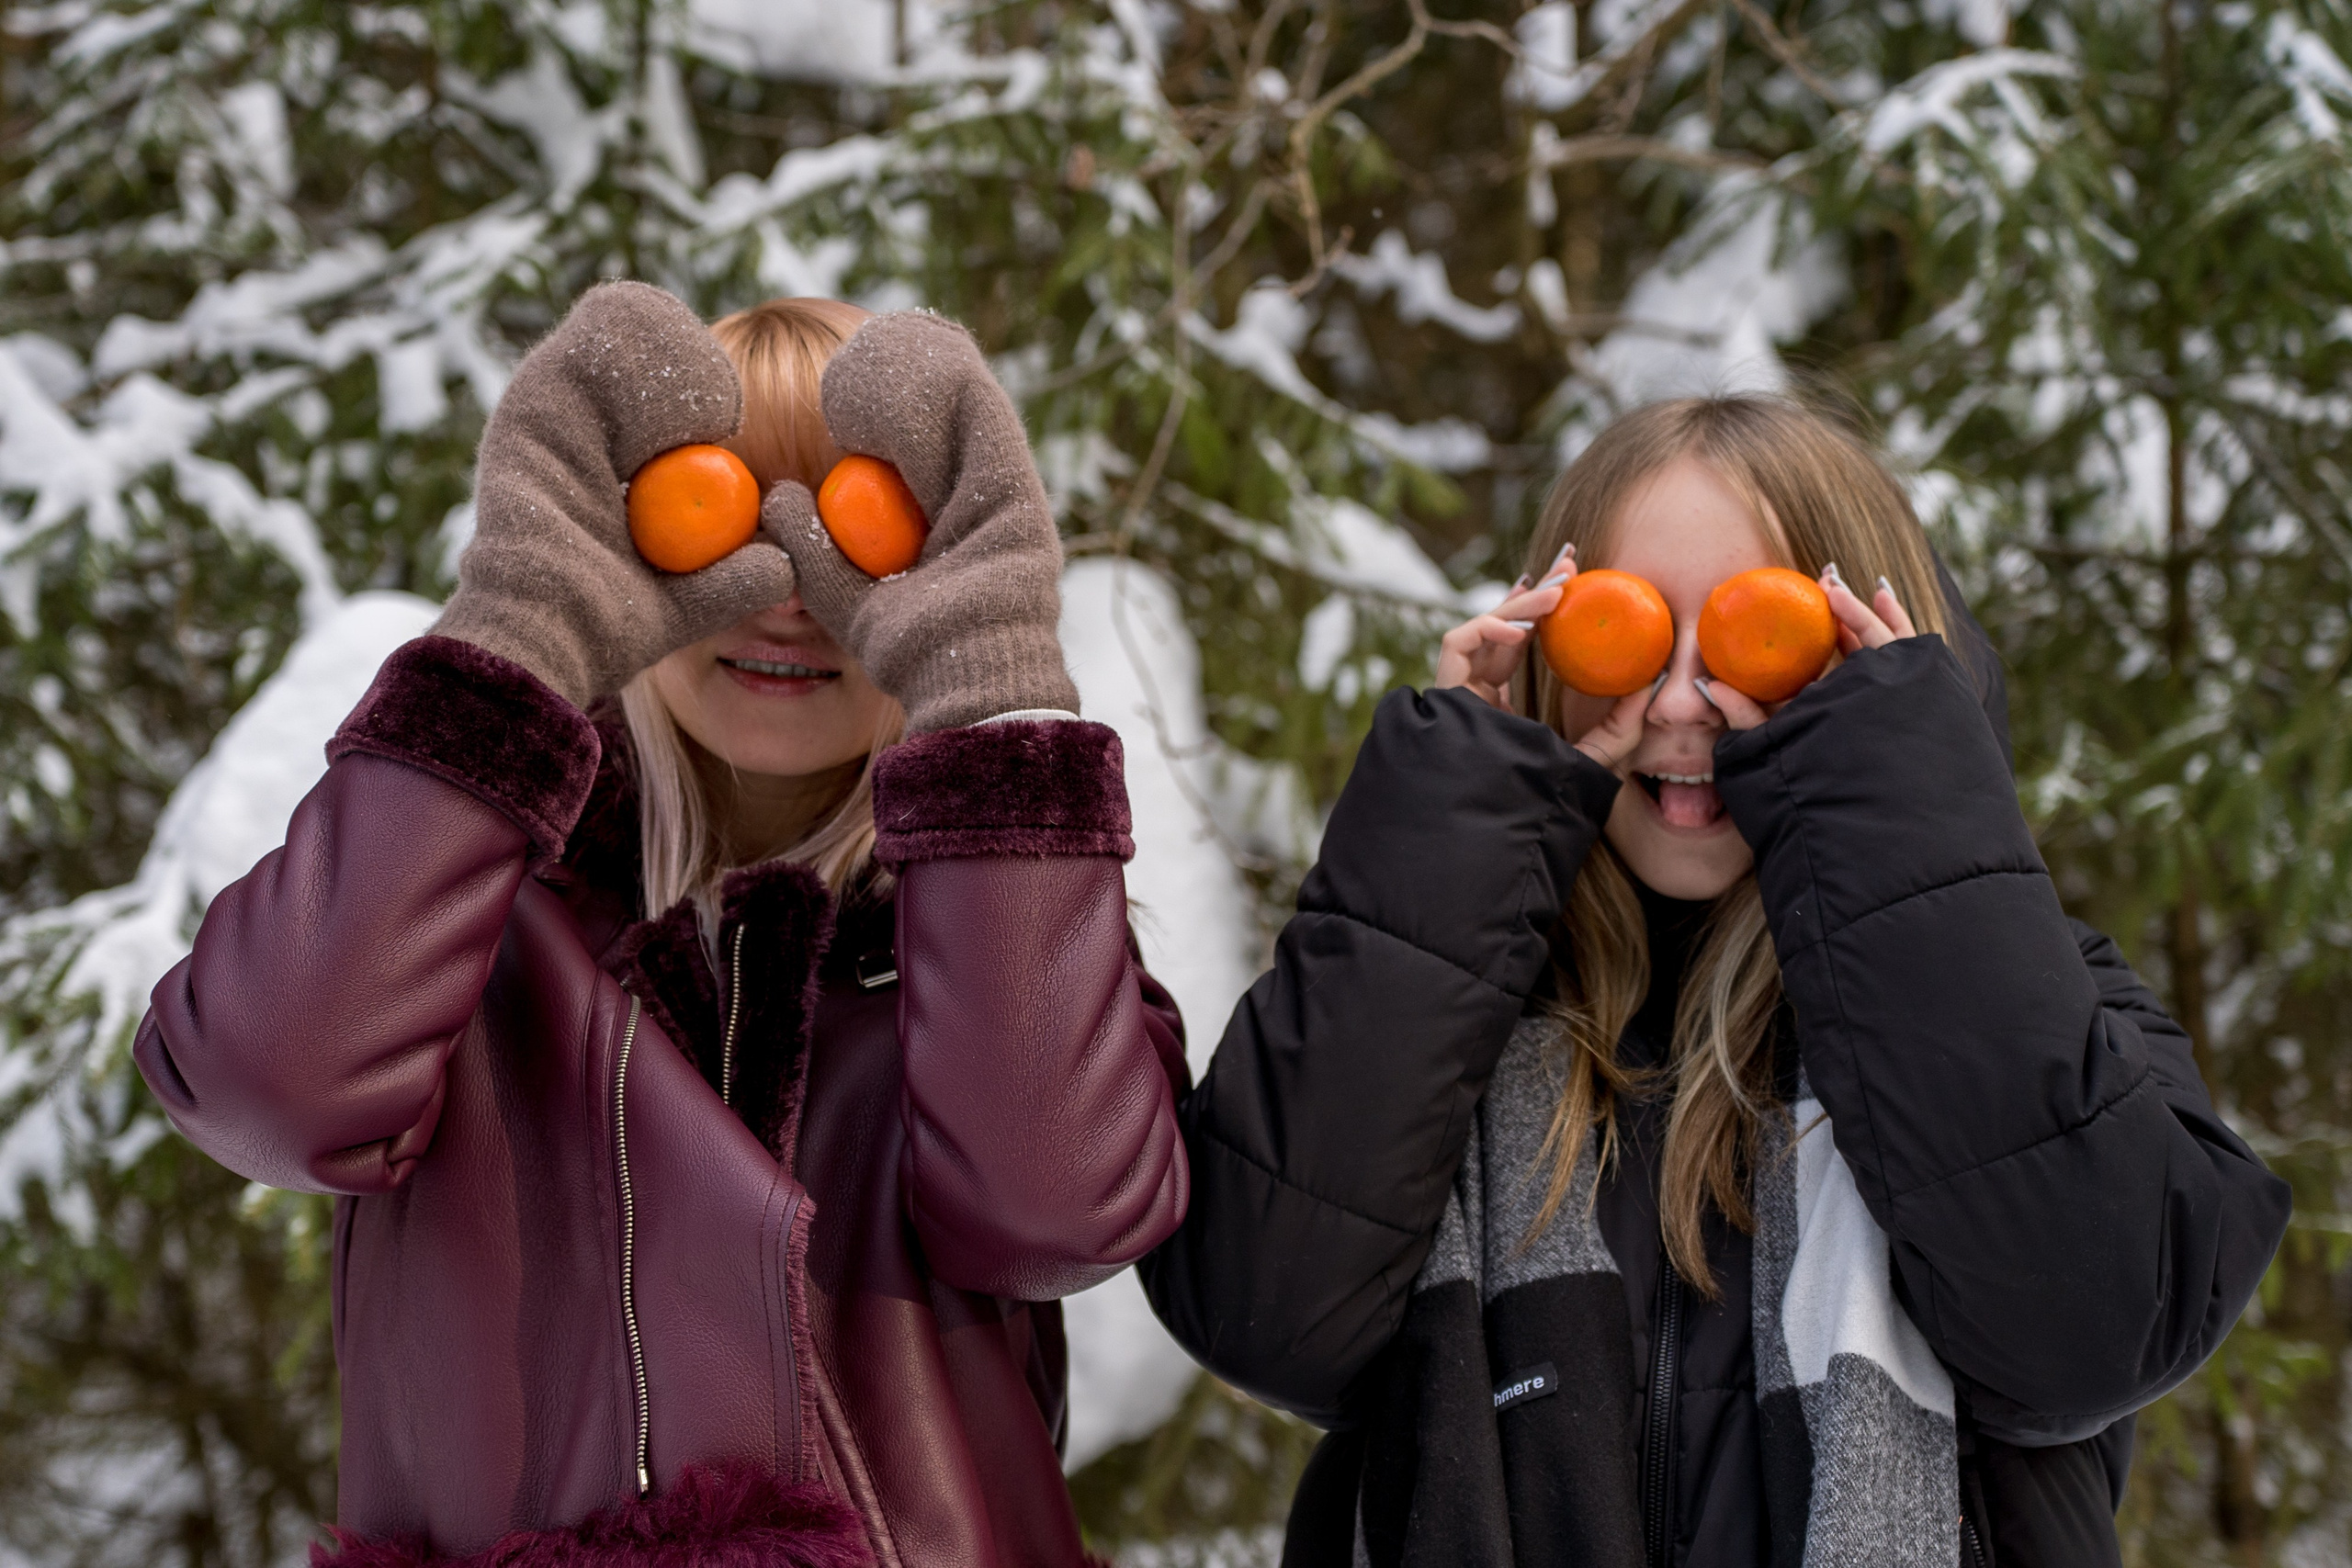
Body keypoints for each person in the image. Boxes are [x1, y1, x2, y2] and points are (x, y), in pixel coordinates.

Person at [133, 283, 1189, 1568]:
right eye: (728, 518)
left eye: (849, 533)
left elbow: (1054, 1216)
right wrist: (521, 629)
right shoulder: (453, 902)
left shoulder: (1015, 928)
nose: (790, 598)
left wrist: (988, 689)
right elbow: (266, 1086)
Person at [1141, 395, 2290, 1568]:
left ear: (1878, 658)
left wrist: (1891, 790)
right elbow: (1262, 1313)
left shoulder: (2039, 994)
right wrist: (1452, 822)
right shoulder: (1454, 1005)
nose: (1684, 700)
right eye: (1624, 631)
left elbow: (2087, 1338)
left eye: (1760, 632)